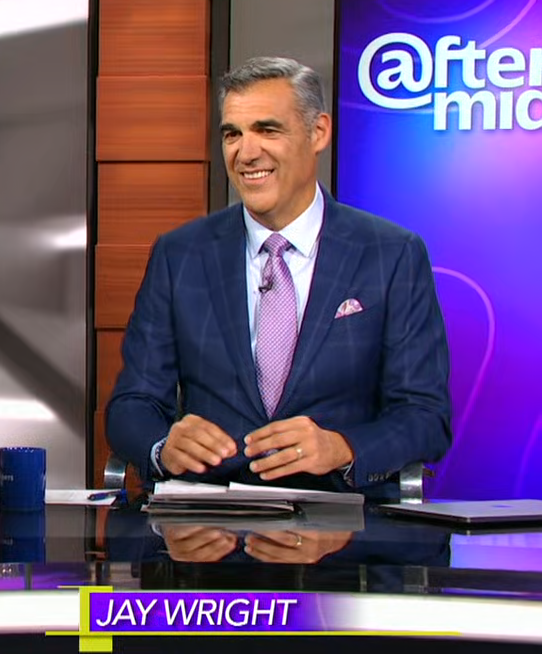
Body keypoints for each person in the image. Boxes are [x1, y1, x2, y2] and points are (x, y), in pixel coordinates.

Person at [105, 57, 452, 498]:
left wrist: (342, 447)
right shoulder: (181, 255)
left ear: (318, 132)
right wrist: (162, 447)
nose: (246, 153)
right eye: (232, 134)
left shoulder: (391, 254)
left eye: (267, 130)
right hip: (208, 519)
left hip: (342, 516)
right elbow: (131, 405)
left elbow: (425, 416)